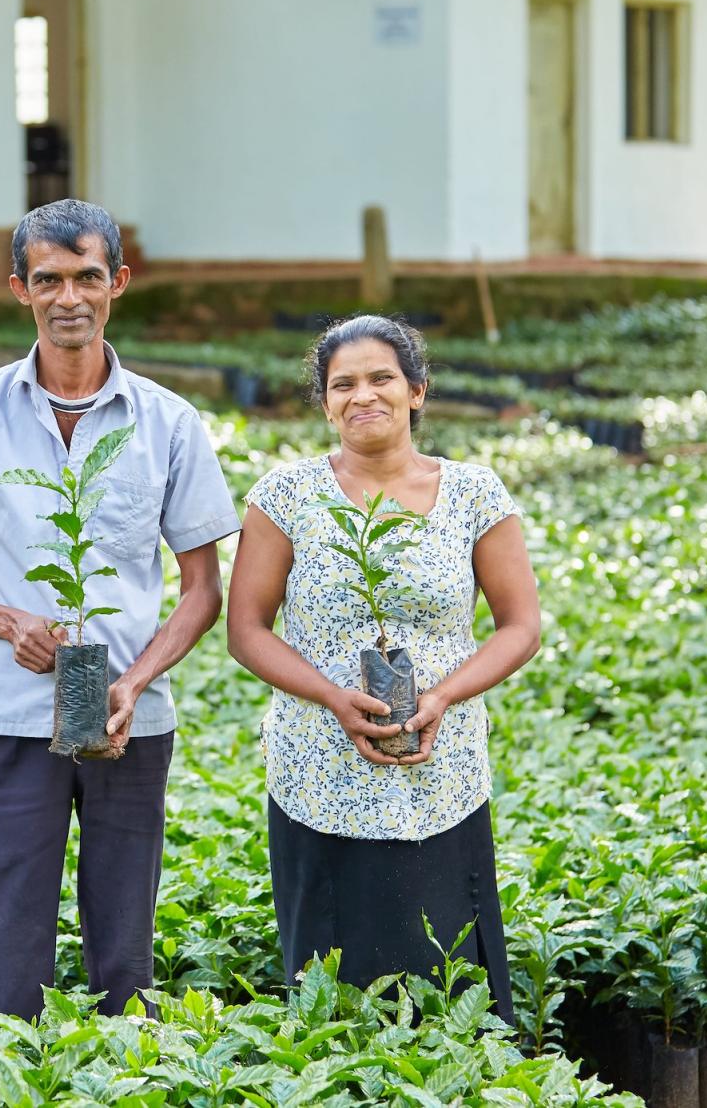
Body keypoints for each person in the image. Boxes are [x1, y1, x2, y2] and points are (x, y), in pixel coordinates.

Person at [0, 200, 240, 1023]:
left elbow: (202, 590)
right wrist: (11, 623)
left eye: (88, 277)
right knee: (7, 931)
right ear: (20, 289)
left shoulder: (168, 422)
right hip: (11, 715)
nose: (69, 297)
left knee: (125, 938)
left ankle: (119, 1075)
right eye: (48, 280)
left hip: (130, 718)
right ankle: (7, 1068)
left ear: (118, 282)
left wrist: (135, 682)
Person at [226, 315, 539, 1021]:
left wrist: (444, 696)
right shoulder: (286, 497)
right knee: (335, 989)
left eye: (380, 378)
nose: (362, 395)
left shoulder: (475, 496)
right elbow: (246, 630)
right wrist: (333, 697)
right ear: (326, 402)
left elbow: (520, 626)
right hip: (319, 774)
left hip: (442, 772)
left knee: (450, 980)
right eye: (343, 384)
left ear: (417, 391)